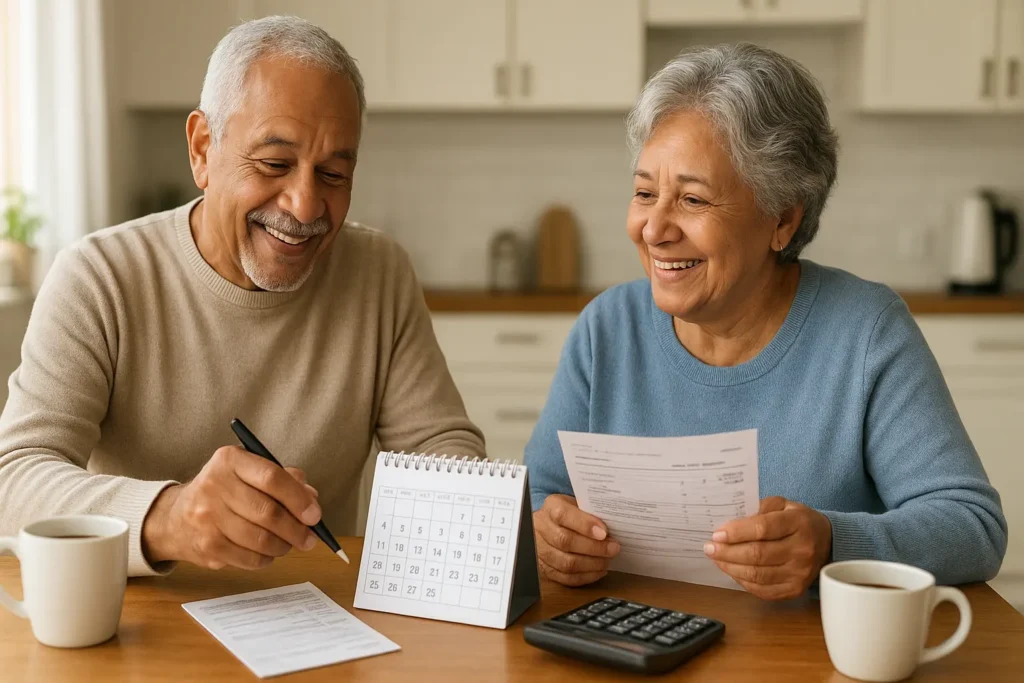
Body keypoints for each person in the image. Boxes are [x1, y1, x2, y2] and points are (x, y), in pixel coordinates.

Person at [0, 16, 484, 577]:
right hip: (142, 629)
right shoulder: (99, 276)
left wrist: (492, 519)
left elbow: (437, 445)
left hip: (318, 618)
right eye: (275, 164)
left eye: (332, 174)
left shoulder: (380, 273)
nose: (305, 206)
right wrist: (169, 517)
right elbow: (13, 478)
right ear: (203, 148)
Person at [524, 43, 1007, 600]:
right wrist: (548, 534)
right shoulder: (605, 329)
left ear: (782, 219)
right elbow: (541, 498)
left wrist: (832, 542)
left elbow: (974, 528)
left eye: (693, 200)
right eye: (644, 193)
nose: (654, 228)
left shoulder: (867, 333)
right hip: (632, 647)